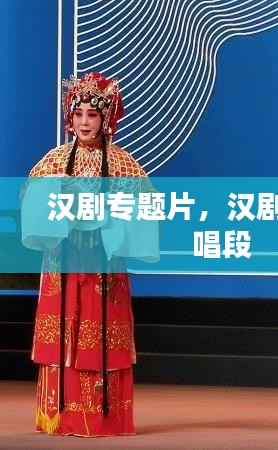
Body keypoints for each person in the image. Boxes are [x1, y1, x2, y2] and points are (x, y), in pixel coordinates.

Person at [24, 72, 156, 437]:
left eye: (93, 114)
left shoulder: (124, 165)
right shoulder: (53, 162)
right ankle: (60, 416)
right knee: (62, 334)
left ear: (106, 117)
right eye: (78, 113)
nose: (84, 122)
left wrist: (109, 220)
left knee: (100, 338)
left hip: (104, 265)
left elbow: (146, 210)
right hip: (62, 263)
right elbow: (31, 206)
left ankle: (103, 418)